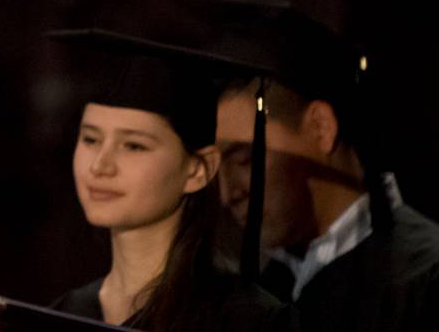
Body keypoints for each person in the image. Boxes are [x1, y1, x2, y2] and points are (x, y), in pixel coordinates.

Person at [166, 0, 438, 332]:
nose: (227, 194)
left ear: (321, 128)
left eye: (246, 159)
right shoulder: (264, 287)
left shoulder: (423, 279)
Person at [47, 29, 294, 331]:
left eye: (134, 145)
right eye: (90, 139)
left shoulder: (246, 321)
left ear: (198, 169)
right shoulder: (65, 313)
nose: (100, 166)